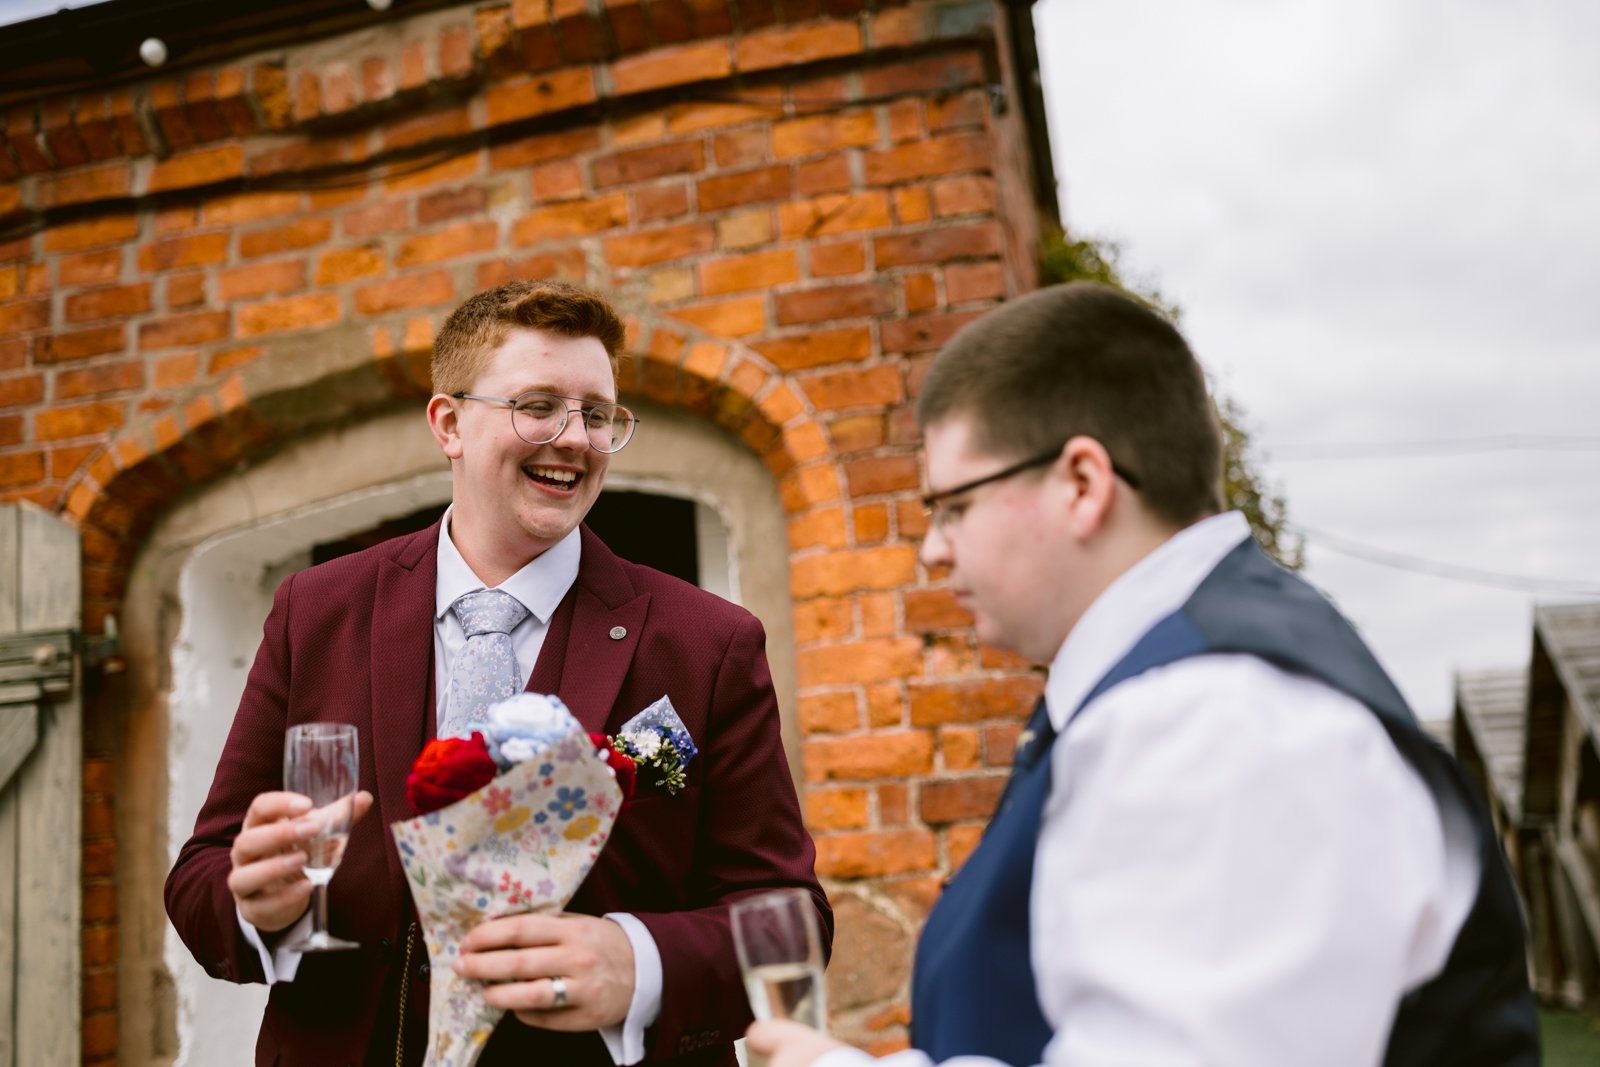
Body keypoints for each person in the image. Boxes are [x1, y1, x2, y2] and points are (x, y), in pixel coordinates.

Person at [749, 282, 1537, 1067]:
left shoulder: (1223, 716)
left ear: (1083, 484)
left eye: (953, 505)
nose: (934, 549)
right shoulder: (1167, 689)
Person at [166, 279, 830, 1067]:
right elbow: (202, 874)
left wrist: (637, 960)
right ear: (448, 423)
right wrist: (256, 906)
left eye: (598, 414)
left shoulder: (708, 641)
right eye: (539, 404)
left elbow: (789, 915)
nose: (576, 438)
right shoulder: (316, 609)